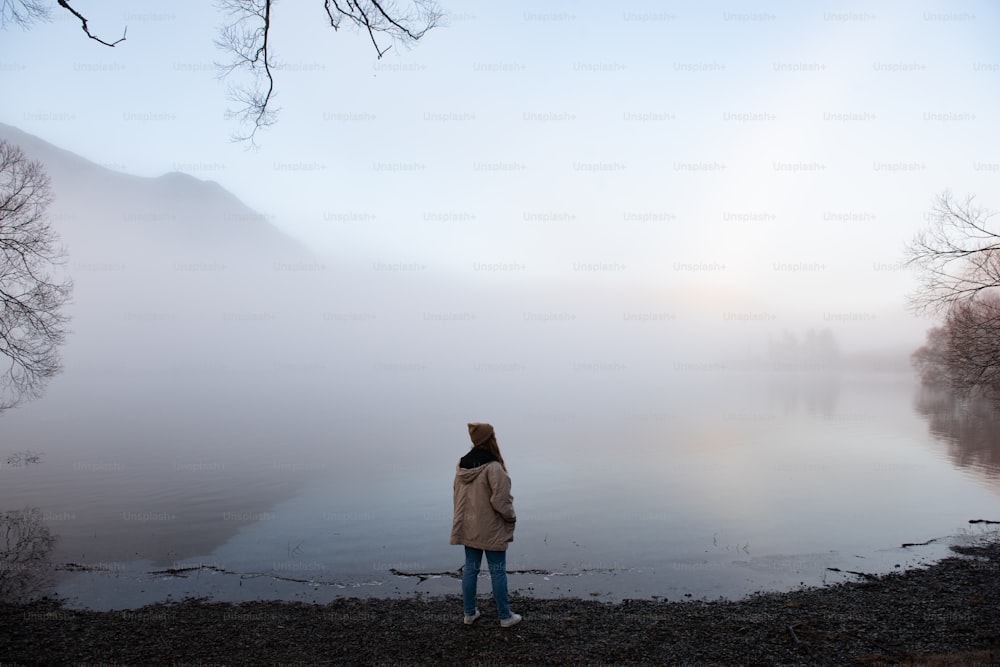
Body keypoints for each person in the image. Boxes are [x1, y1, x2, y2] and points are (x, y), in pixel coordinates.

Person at [450, 422, 522, 627]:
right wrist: (511, 517)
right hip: (490, 527)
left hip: (469, 525)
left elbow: (456, 495)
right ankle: (505, 616)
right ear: (490, 439)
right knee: (497, 570)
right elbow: (501, 501)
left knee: (471, 569)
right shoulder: (493, 467)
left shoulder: (462, 464)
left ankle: (469, 613)